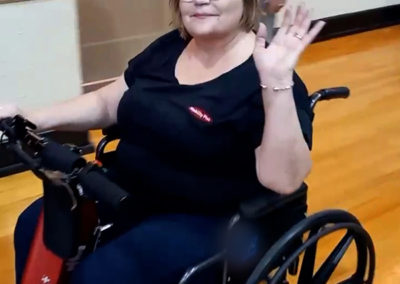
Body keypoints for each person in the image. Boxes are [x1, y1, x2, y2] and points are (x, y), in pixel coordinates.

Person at [1, 0, 325, 283]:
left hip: (204, 218)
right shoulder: (169, 46)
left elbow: (284, 179)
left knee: (102, 274)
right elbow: (107, 103)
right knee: (35, 226)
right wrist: (30, 116)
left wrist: (276, 84)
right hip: (125, 191)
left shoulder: (270, 74)